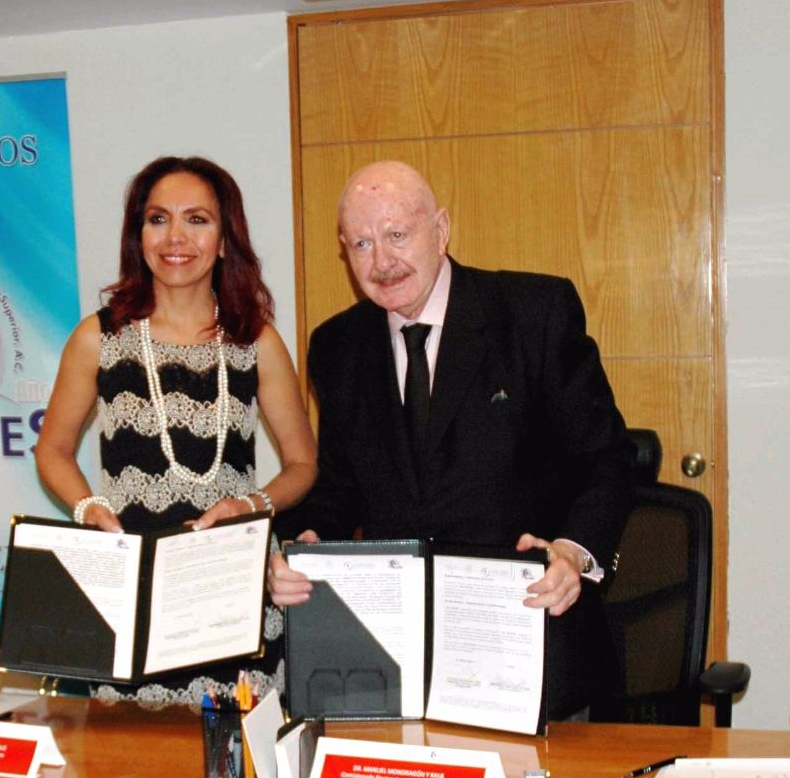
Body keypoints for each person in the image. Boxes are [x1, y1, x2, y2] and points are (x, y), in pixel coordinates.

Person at [268, 160, 633, 723]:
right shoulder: (338, 346)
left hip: (531, 643)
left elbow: (605, 459)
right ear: (344, 252)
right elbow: (340, 484)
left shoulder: (533, 313)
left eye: (396, 235)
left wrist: (575, 551)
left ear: (440, 230)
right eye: (362, 243)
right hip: (398, 660)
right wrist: (307, 542)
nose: (382, 262)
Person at [35, 155, 317, 705]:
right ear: (138, 233)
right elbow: (53, 450)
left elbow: (303, 464)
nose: (175, 237)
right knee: (131, 771)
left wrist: (251, 504)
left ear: (225, 237)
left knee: (237, 772)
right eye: (158, 218)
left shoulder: (254, 340)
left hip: (231, 588)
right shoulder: (100, 336)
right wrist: (87, 508)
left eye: (197, 219)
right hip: (132, 591)